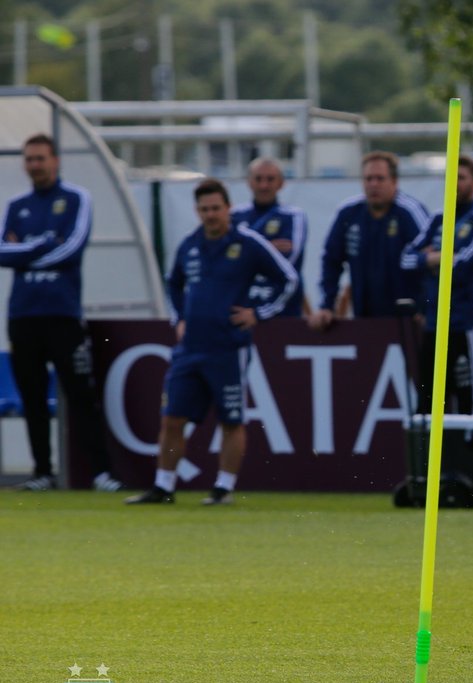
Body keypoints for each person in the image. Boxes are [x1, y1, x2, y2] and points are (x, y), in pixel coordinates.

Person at [125, 178, 297, 506]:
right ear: (197, 211)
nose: (211, 215)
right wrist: (180, 319)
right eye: (204, 209)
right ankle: (163, 486)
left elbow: (287, 279)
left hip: (228, 347)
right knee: (172, 418)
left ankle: (223, 488)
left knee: (231, 419)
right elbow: (173, 283)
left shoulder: (248, 243)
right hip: (189, 348)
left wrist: (259, 313)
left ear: (228, 208)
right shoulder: (190, 244)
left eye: (216, 208)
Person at [0, 133, 123, 491]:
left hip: (63, 315)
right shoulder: (16, 206)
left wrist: (23, 250)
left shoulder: (75, 199)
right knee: (33, 397)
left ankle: (101, 472)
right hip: (23, 315)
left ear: (56, 161)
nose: (35, 165)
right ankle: (42, 472)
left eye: (41, 158)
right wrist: (40, 245)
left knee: (80, 395)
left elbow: (71, 249)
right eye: (30, 159)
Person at [401, 155, 473, 414]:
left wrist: (434, 258)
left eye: (462, 178)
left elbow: (462, 266)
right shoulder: (437, 219)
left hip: (465, 324)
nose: (454, 183)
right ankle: (431, 455)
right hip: (432, 325)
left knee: (472, 402)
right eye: (450, 177)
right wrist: (437, 257)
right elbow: (406, 259)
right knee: (427, 404)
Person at [308, 151, 430, 330]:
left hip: (409, 318)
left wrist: (427, 307)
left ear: (394, 181)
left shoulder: (410, 211)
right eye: (368, 179)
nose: (373, 184)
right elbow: (331, 261)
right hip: (365, 317)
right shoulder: (348, 213)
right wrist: (327, 305)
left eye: (380, 179)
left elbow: (431, 263)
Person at [230, 157, 310, 318]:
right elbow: (227, 261)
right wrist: (269, 247)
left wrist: (245, 252)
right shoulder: (234, 216)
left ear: (281, 183)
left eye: (270, 179)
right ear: (249, 182)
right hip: (241, 310)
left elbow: (288, 261)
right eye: (258, 179)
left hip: (283, 311)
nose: (264, 185)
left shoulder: (293, 216)